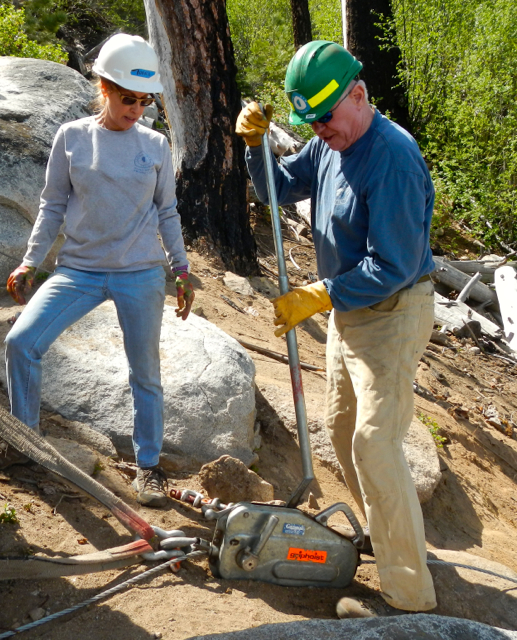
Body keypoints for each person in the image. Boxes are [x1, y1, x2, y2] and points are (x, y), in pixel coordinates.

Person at [235, 41, 436, 617]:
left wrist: (321, 293)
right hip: (350, 311)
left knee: (375, 441)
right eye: (310, 122)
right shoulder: (329, 145)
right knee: (340, 425)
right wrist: (255, 147)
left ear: (359, 94)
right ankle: (382, 528)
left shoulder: (391, 157)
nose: (320, 130)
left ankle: (409, 598)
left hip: (394, 312)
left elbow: (393, 264)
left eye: (326, 117)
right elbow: (276, 188)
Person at [0, 33, 194, 509]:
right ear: (104, 87)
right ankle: (25, 443)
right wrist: (31, 261)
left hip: (139, 273)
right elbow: (52, 204)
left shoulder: (156, 146)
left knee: (146, 373)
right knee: (20, 343)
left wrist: (181, 269)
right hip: (78, 269)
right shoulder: (73, 137)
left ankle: (149, 468)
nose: (135, 108)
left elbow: (167, 214)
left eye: (143, 100)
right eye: (126, 98)